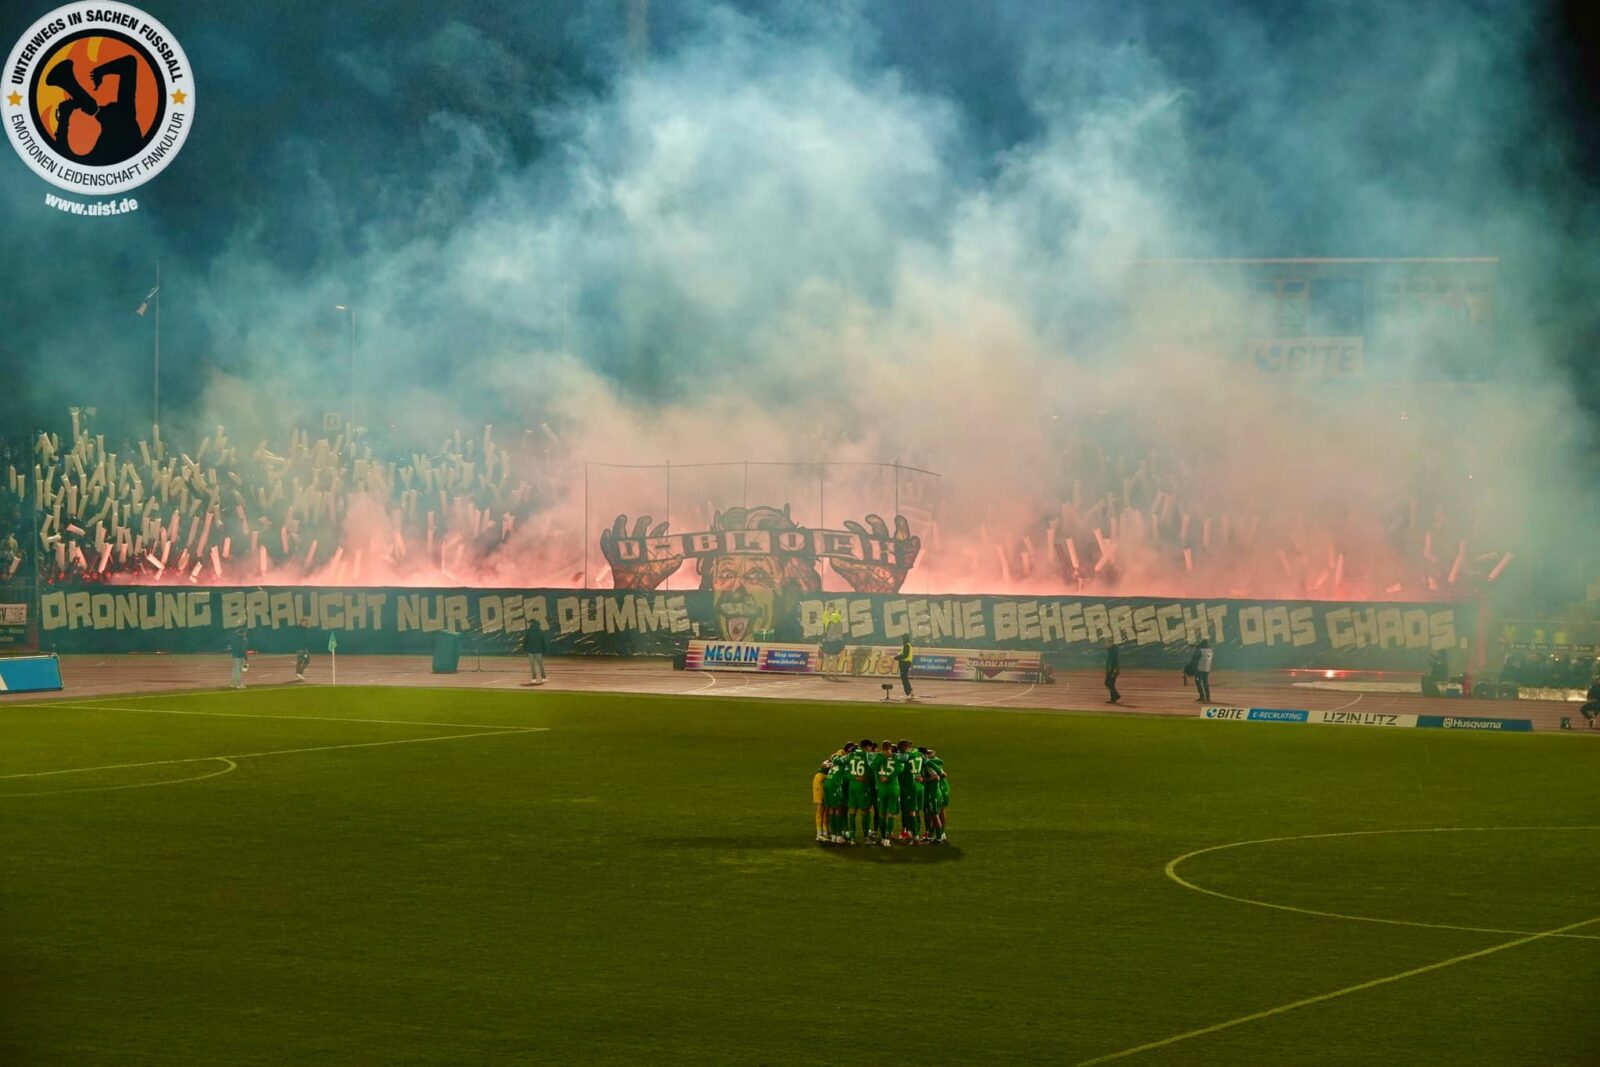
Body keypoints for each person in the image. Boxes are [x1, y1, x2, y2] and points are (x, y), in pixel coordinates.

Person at [845, 739, 874, 845]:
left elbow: (846, 773)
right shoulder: (867, 756)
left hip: (852, 787)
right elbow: (871, 773)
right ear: (867, 747)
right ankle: (866, 837)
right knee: (865, 811)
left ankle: (852, 837)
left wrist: (854, 777)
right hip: (863, 787)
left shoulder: (851, 755)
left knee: (852, 811)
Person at [873, 741, 901, 846]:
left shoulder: (879, 756)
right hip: (893, 788)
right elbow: (900, 769)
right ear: (890, 748)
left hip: (882, 789)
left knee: (882, 814)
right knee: (891, 814)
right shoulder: (896, 757)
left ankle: (883, 838)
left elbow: (873, 766)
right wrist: (889, 777)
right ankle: (888, 838)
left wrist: (882, 758)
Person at [897, 739, 924, 843]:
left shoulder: (906, 756)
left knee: (911, 812)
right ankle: (913, 833)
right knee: (916, 811)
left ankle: (915, 836)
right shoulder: (918, 753)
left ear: (903, 747)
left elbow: (898, 758)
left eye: (900, 749)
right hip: (919, 786)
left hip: (910, 787)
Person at [813, 760, 831, 842]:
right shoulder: (838, 756)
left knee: (826, 809)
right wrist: (831, 764)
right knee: (820, 808)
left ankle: (825, 832)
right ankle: (819, 834)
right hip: (820, 781)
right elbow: (822, 765)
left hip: (826, 781)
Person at [1194, 638, 1214, 702]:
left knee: (1198, 682)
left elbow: (1195, 659)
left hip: (1200, 669)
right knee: (1205, 683)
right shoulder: (1211, 651)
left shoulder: (1200, 651)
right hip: (1207, 669)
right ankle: (1207, 697)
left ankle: (1202, 696)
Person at [897, 636, 915, 701]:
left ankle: (908, 693)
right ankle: (910, 692)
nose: (902, 639)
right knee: (904, 678)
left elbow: (905, 655)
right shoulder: (908, 645)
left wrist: (897, 657)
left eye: (903, 638)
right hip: (906, 663)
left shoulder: (906, 645)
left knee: (904, 678)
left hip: (904, 663)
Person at [1104, 639, 1122, 704]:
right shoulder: (1110, 650)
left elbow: (1115, 662)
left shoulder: (1113, 651)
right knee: (1109, 684)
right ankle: (1114, 697)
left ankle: (1115, 696)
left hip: (1112, 671)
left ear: (1111, 643)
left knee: (1109, 684)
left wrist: (1114, 671)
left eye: (1107, 643)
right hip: (1110, 670)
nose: (1106, 645)